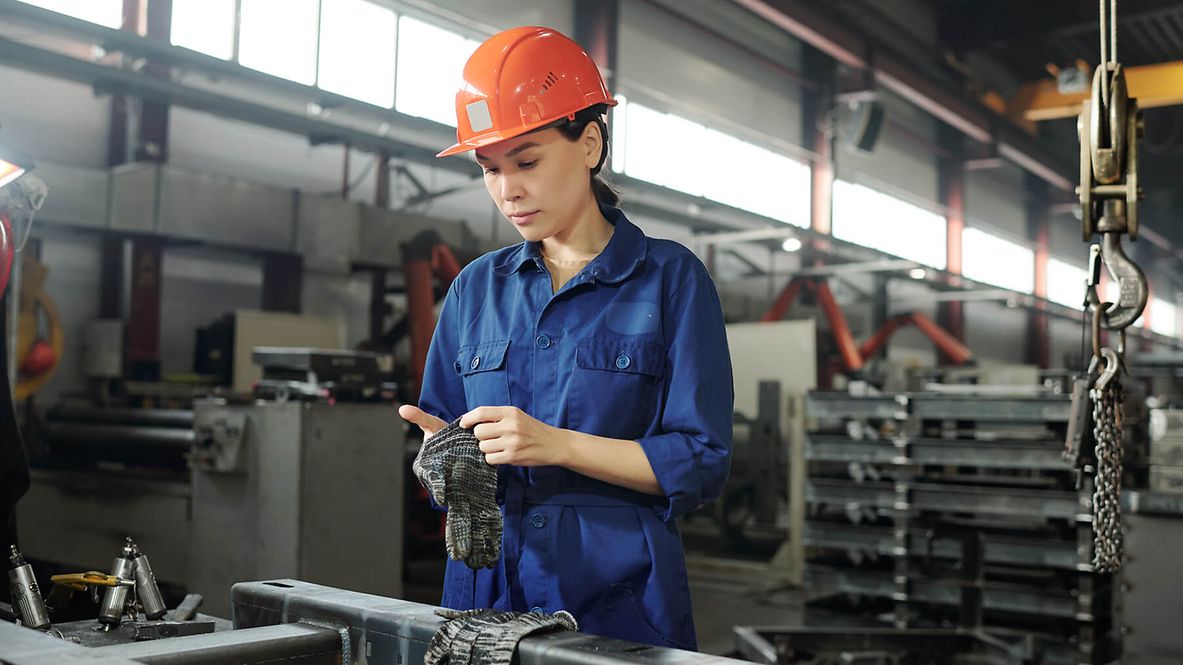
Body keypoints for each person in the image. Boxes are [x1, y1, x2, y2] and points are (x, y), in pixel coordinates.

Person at [398, 25, 733, 651]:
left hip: (616, 601)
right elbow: (444, 437)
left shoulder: (669, 280)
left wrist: (556, 445)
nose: (508, 191)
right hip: (486, 601)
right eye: (490, 169)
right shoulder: (476, 289)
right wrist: (441, 466)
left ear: (589, 143)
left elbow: (701, 460)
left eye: (527, 161)